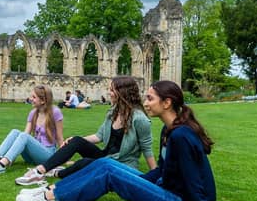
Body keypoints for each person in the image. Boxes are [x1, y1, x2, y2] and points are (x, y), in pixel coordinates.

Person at [15, 81, 248, 201]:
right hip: (165, 187)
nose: (145, 103)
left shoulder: (181, 135)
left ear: (167, 103)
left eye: (150, 98)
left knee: (109, 171)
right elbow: (164, 170)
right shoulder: (170, 131)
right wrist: (138, 181)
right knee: (107, 164)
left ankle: (49, 197)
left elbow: (195, 180)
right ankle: (52, 190)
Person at [16, 76, 157, 185]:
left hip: (120, 162)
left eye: (112, 90)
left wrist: (154, 175)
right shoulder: (113, 112)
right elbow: (98, 136)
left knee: (84, 163)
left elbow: (147, 148)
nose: (109, 93)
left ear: (122, 92)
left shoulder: (139, 119)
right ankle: (42, 169)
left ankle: (55, 173)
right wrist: (75, 140)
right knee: (76, 140)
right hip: (105, 155)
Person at [0, 85, 64, 175]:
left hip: (47, 156)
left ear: (43, 100)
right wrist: (13, 153)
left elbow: (59, 137)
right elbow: (23, 136)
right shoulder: (33, 113)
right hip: (31, 156)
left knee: (24, 136)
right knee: (15, 132)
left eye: (34, 97)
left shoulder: (55, 112)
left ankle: (1, 165)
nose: (30, 99)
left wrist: (64, 158)